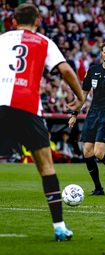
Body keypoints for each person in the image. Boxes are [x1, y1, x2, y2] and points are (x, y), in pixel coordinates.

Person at [0, 3, 84, 241]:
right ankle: (59, 227)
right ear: (38, 21)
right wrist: (79, 98)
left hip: (0, 104)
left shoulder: (2, 39)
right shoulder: (43, 41)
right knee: (46, 167)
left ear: (13, 22)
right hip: (27, 106)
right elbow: (66, 70)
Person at [68, 41, 105, 195]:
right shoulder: (92, 70)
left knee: (99, 153)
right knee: (87, 152)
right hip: (92, 113)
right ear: (101, 53)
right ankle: (98, 188)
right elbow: (83, 95)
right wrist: (74, 114)